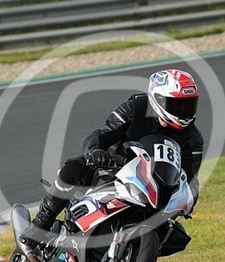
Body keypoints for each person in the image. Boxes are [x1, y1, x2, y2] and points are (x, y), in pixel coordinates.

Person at [23, 68, 204, 244]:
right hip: (114, 169)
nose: (184, 111)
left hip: (155, 191)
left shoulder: (193, 138)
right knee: (72, 169)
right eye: (178, 104)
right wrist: (96, 152)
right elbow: (101, 134)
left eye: (189, 104)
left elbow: (189, 178)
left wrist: (188, 198)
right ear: (158, 99)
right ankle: (41, 224)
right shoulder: (136, 107)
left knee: (176, 236)